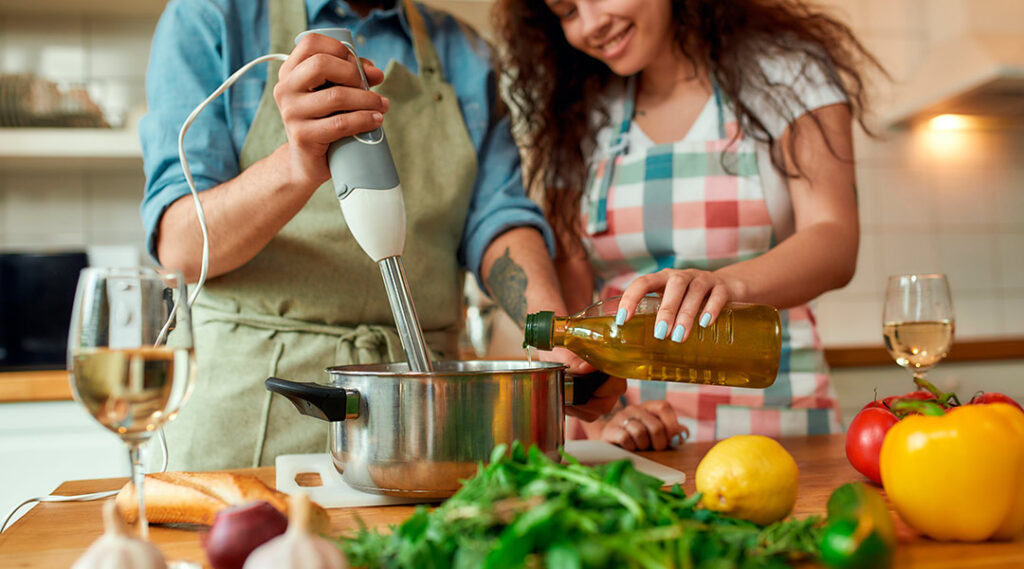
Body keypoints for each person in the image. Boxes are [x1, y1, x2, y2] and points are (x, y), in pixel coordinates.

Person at [140, 0, 623, 470]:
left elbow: (498, 221)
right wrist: (295, 166)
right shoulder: (210, 19)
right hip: (248, 425)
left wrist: (554, 333)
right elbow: (182, 247)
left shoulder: (466, 52)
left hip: (422, 429)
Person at [494, 0, 882, 450]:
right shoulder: (580, 112)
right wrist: (608, 421)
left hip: (778, 420)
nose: (592, 23)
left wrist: (723, 286)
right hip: (639, 438)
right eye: (567, 12)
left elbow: (834, 238)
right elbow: (573, 292)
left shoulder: (786, 71)